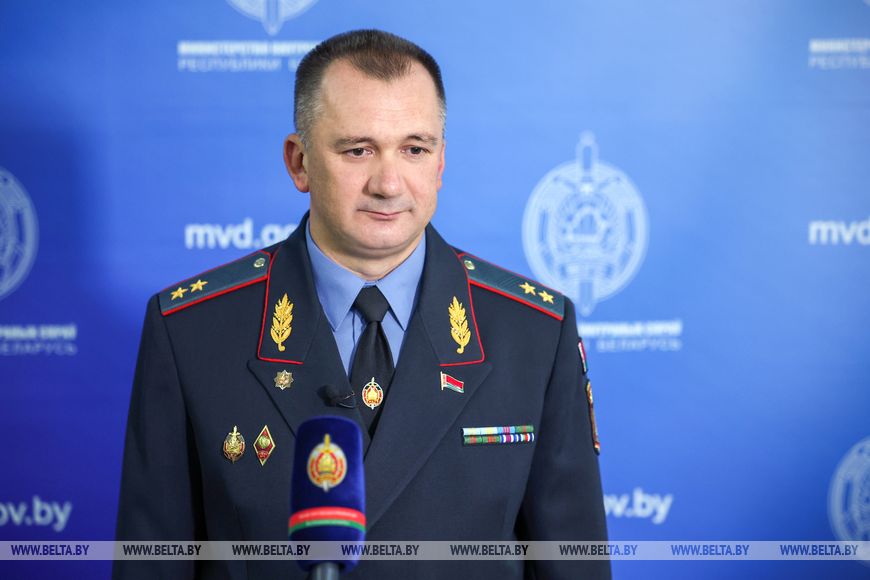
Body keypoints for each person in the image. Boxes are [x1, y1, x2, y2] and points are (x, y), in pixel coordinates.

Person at [115, 29, 609, 579]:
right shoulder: (192, 331)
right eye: (358, 150)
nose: (389, 183)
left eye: (414, 149)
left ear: (440, 162)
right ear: (299, 162)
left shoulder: (535, 332)